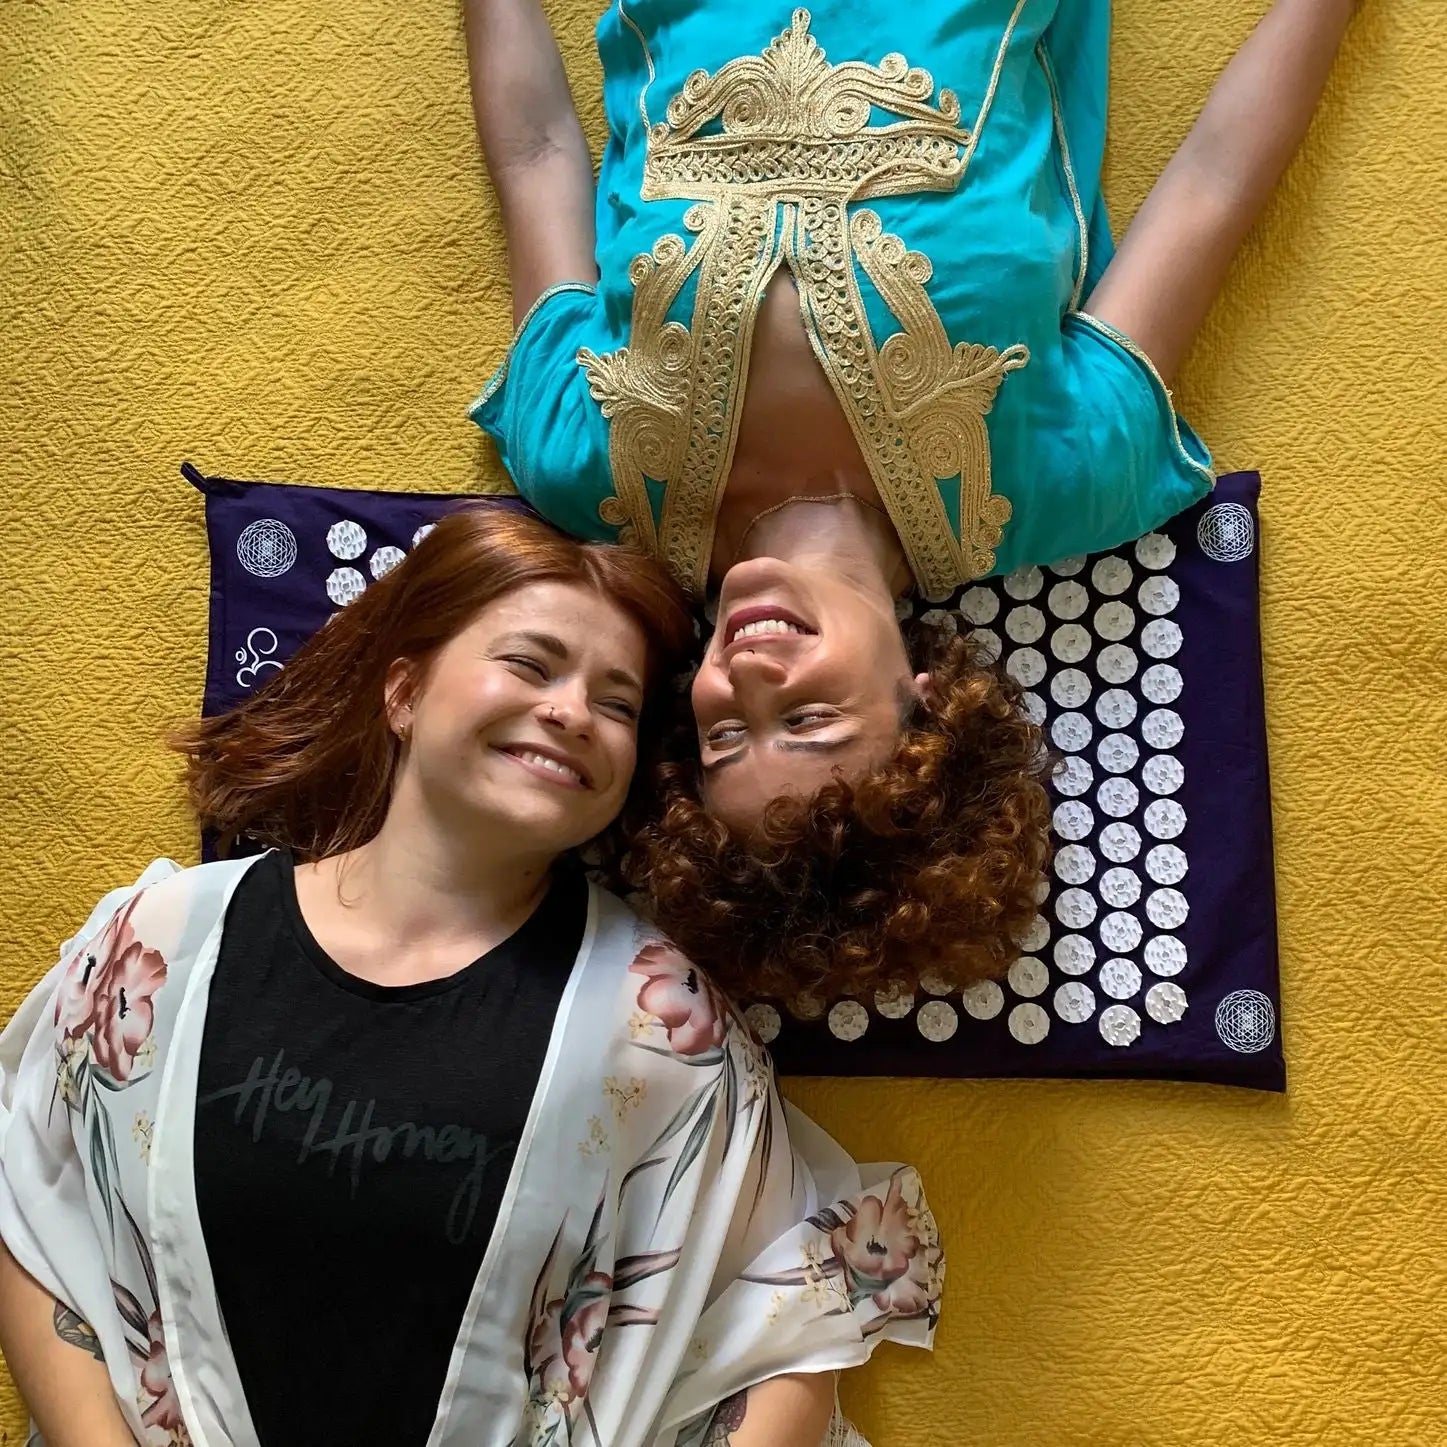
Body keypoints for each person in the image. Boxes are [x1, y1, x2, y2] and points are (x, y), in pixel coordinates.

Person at [0, 506, 942, 1447]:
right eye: (530, 665)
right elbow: (32, 1200)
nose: (572, 711)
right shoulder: (160, 940)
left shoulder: (661, 1023)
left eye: (616, 704)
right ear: (403, 693)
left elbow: (787, 1324)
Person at [464, 0, 1357, 989]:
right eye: (806, 721)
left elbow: (540, 153)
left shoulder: (580, 466)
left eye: (722, 732)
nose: (748, 677)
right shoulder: (1057, 480)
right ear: (923, 709)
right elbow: (1213, 185)